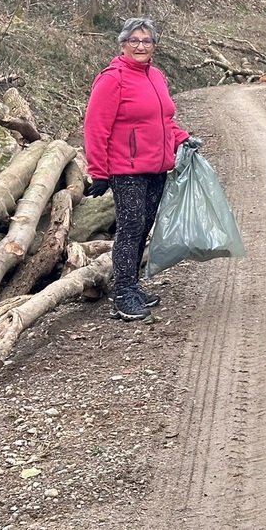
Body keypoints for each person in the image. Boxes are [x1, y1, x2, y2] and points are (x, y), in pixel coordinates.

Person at [84, 17, 198, 320]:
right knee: (130, 228)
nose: (140, 46)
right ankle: (123, 294)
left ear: (154, 46)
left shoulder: (157, 76)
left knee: (144, 226)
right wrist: (98, 171)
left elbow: (164, 121)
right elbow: (95, 127)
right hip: (127, 170)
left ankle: (132, 286)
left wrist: (183, 139)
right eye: (133, 40)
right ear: (123, 44)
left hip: (156, 167)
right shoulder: (112, 79)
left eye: (146, 41)